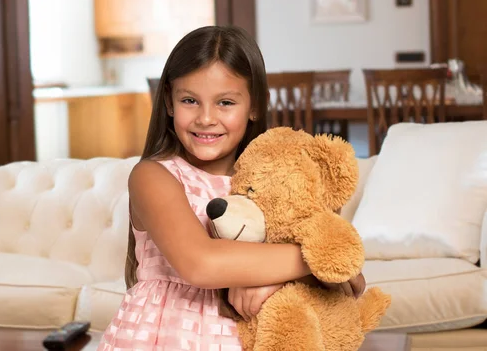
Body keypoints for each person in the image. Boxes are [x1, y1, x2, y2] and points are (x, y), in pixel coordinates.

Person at [97, 25, 365, 350]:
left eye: (225, 102)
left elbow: (352, 280)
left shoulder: (277, 182)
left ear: (254, 106)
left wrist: (294, 274)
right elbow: (201, 264)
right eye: (189, 100)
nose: (206, 118)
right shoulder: (153, 176)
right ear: (169, 102)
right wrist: (313, 262)